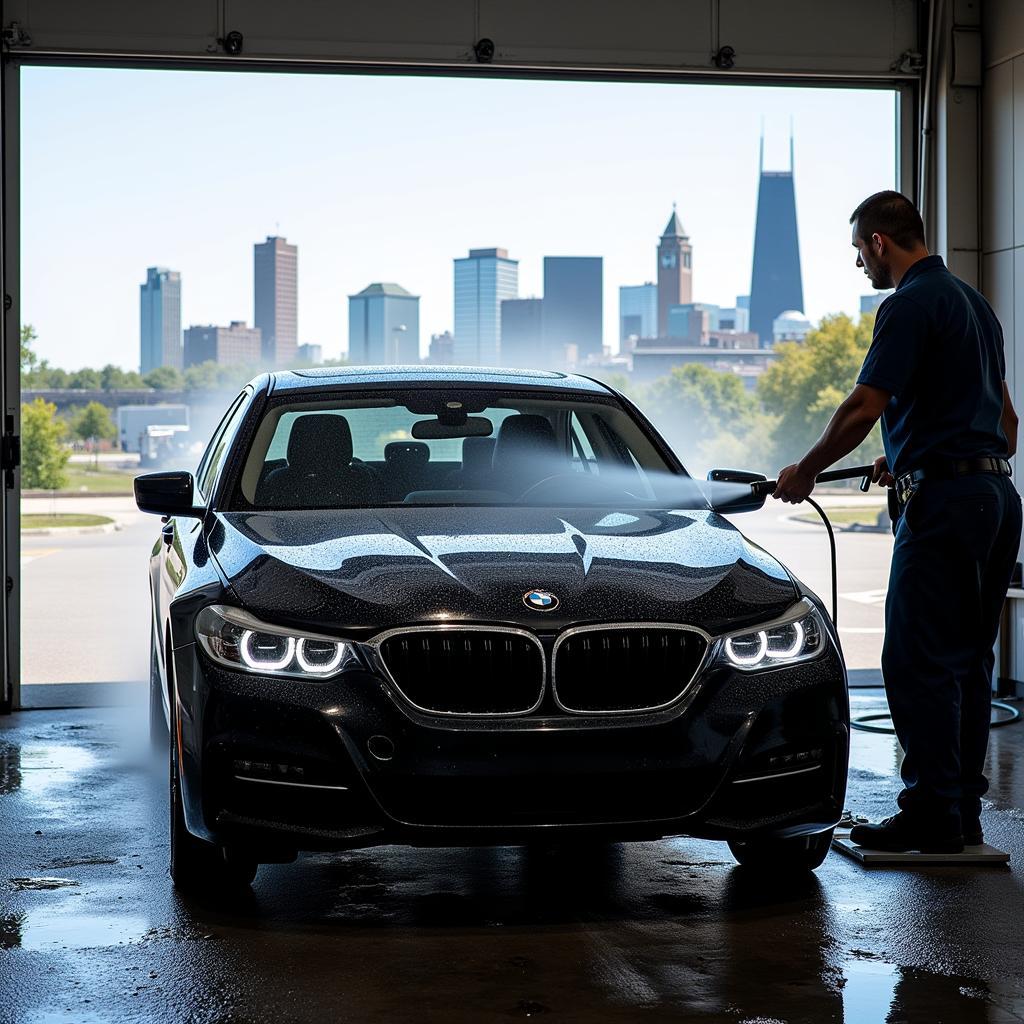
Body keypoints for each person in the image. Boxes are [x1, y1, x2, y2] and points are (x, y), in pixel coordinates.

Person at [772, 190, 1022, 853]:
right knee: (968, 662)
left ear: (879, 242)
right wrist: (910, 453)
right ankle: (958, 815)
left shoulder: (906, 305)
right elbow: (1007, 427)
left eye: (859, 251)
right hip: (996, 499)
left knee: (915, 660)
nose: (861, 265)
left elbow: (862, 406)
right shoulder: (975, 306)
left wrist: (804, 469)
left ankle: (928, 814)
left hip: (944, 508)